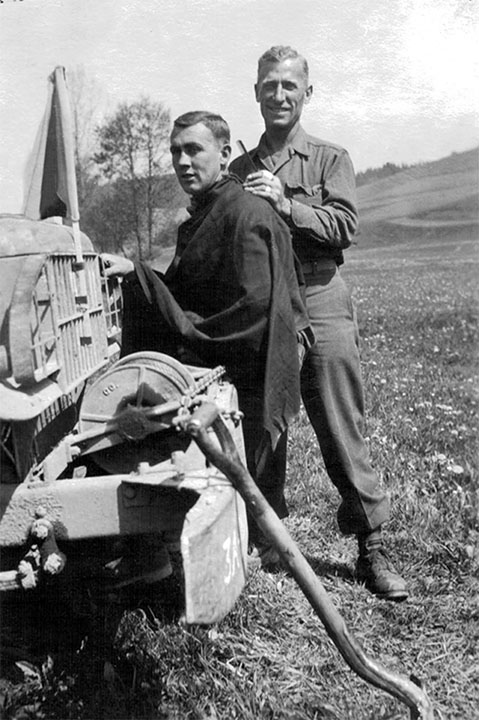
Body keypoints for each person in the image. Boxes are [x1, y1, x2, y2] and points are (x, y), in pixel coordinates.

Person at [229, 46, 408, 601]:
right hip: (268, 303)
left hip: (321, 294)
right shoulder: (237, 170)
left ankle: (373, 544)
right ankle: (266, 539)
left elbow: (344, 226)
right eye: (269, 85)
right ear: (256, 93)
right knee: (263, 424)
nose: (279, 95)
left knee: (339, 423)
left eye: (289, 86)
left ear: (307, 93)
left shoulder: (331, 159)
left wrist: (286, 204)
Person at [102, 111, 312, 567]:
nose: (182, 161)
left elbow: (251, 311)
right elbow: (189, 294)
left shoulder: (246, 214)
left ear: (225, 152)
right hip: (227, 353)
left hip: (250, 360)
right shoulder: (208, 213)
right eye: (175, 151)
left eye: (194, 149)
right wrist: (137, 274)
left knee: (251, 459)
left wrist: (178, 318)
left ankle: (262, 540)